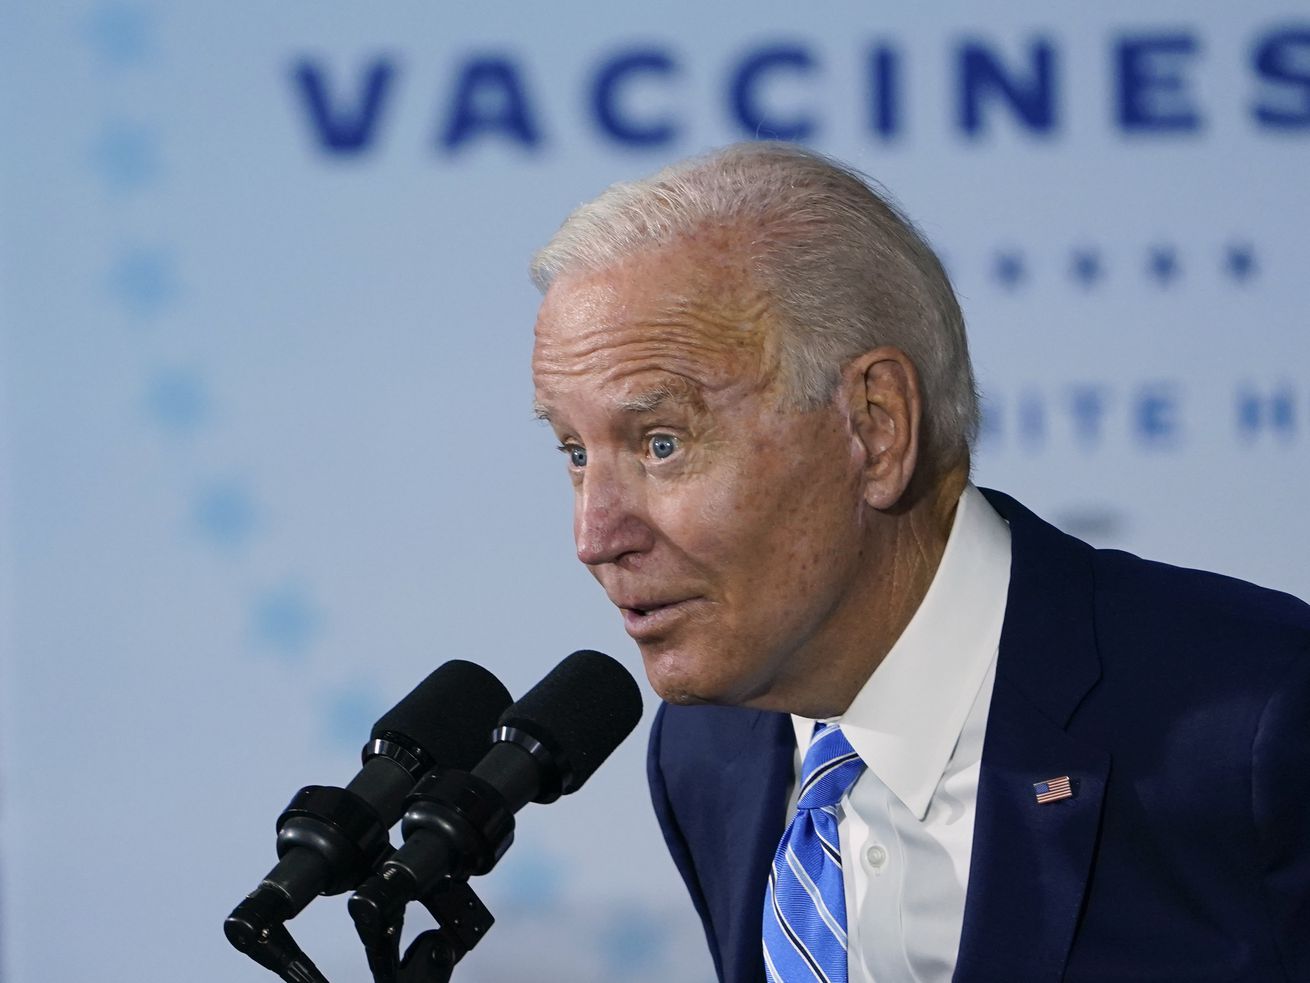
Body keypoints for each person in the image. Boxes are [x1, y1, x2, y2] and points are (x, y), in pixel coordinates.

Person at [528, 142, 1310, 983]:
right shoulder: (708, 749)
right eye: (575, 451)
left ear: (875, 424)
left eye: (661, 442)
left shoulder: (1257, 720)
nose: (595, 535)